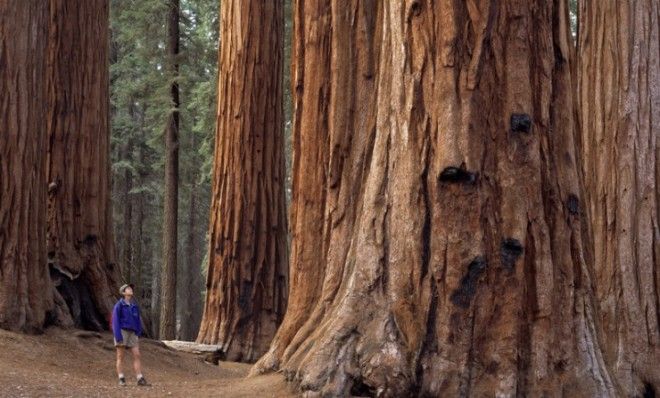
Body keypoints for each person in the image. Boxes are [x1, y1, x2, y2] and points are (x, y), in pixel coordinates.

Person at [112, 283, 149, 387]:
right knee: (120, 356)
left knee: (137, 354)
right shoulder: (119, 305)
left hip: (132, 333)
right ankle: (121, 378)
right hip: (122, 331)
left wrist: (138, 331)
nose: (130, 290)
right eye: (128, 289)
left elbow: (137, 320)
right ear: (123, 292)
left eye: (131, 289)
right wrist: (118, 335)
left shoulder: (134, 306)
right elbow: (115, 321)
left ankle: (139, 378)